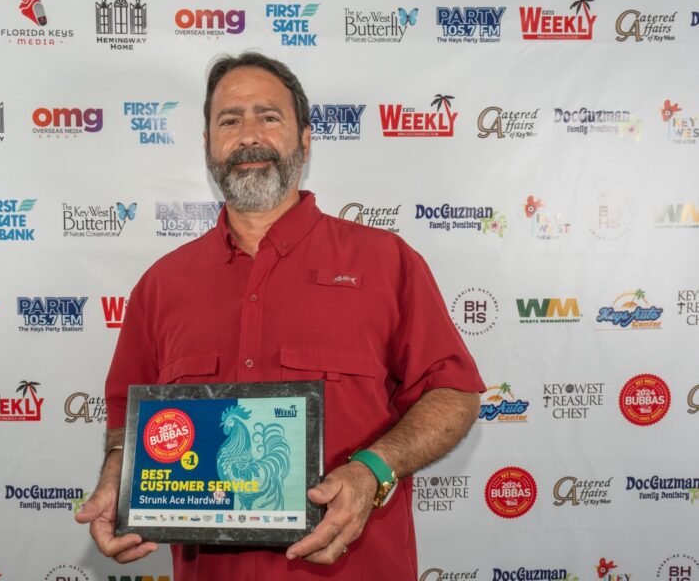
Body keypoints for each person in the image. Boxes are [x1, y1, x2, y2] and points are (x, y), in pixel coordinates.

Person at [76, 52, 485, 580]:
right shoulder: (161, 286)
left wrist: (372, 471)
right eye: (229, 120)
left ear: (306, 138)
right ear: (207, 145)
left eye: (269, 117)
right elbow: (125, 421)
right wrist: (118, 473)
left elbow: (454, 393)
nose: (249, 135)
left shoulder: (386, 263)